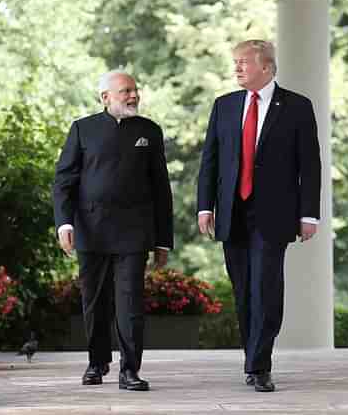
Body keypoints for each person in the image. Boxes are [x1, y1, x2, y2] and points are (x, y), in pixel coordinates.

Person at [197, 40, 321, 392]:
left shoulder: (296, 106)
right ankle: (252, 358)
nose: (236, 69)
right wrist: (205, 206)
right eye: (234, 63)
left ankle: (259, 364)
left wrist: (309, 213)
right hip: (232, 212)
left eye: (243, 63)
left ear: (266, 67)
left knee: (266, 288)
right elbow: (210, 161)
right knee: (243, 291)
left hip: (275, 213)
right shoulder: (224, 106)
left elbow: (309, 165)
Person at [53, 70, 173, 391]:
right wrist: (64, 223)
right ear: (105, 97)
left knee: (130, 302)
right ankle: (96, 361)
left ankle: (129, 370)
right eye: (125, 91)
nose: (133, 96)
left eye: (135, 90)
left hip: (134, 233)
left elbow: (161, 189)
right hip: (91, 230)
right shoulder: (82, 129)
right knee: (94, 301)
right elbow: (64, 181)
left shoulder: (150, 131)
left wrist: (163, 239)